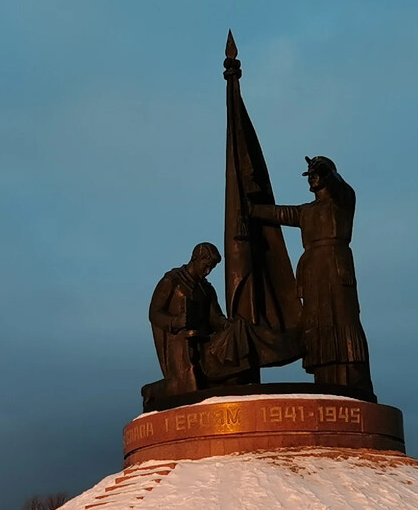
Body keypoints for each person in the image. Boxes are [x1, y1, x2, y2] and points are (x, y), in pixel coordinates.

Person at [249, 156, 375, 399]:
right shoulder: (307, 211)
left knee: (343, 317)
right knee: (316, 321)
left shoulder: (342, 201)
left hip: (335, 266)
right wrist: (252, 210)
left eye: (317, 173)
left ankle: (354, 379)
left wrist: (326, 170)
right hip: (312, 271)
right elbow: (282, 213)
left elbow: (339, 186)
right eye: (311, 174)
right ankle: (325, 378)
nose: (313, 177)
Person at [147, 242, 227, 397]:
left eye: (211, 268)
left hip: (205, 342)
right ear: (196, 258)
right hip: (179, 341)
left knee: (221, 376)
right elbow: (154, 313)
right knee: (186, 385)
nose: (208, 271)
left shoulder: (207, 289)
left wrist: (228, 325)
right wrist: (175, 322)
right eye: (206, 265)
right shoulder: (172, 280)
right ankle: (151, 392)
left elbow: (216, 317)